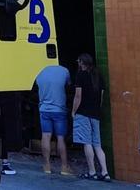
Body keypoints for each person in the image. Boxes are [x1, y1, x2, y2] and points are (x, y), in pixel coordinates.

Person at [72, 53, 111, 181]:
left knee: (87, 143)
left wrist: (73, 111)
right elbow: (101, 96)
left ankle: (92, 171)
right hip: (95, 114)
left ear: (82, 63)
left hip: (83, 113)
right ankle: (105, 172)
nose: (78, 63)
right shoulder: (98, 75)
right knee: (97, 144)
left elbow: (78, 96)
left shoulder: (80, 75)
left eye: (78, 61)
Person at [34, 62, 72, 176]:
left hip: (44, 109)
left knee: (46, 136)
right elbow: (69, 85)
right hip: (59, 110)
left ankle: (47, 166)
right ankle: (64, 167)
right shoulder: (64, 70)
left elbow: (36, 86)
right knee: (60, 138)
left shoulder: (39, 72)